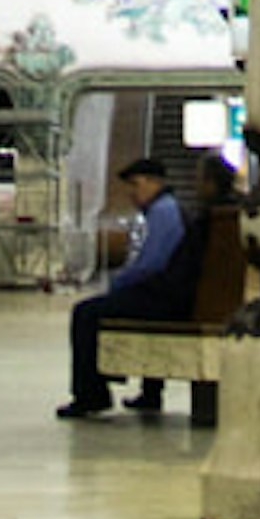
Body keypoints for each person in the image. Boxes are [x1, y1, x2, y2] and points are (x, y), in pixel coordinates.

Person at [61, 151, 199, 417]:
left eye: (136, 185)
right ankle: (150, 393)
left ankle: (91, 395)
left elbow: (151, 265)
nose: (132, 194)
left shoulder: (163, 212)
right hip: (174, 295)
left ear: (153, 182)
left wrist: (118, 283)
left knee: (86, 313)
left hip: (166, 299)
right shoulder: (166, 209)